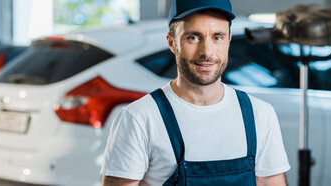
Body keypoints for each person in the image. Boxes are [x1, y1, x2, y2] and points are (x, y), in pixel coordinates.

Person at [99, 0, 290, 185]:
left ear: (228, 40)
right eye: (193, 37)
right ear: (172, 43)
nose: (207, 52)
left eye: (217, 37)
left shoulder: (259, 114)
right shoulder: (140, 118)